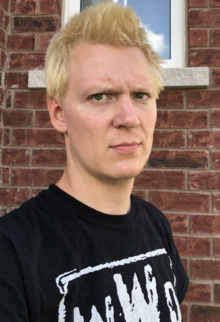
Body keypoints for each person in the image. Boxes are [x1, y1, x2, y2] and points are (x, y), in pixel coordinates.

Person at [0, 2, 188, 322]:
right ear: (59, 113)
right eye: (100, 96)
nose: (129, 118)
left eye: (141, 95)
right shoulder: (12, 253)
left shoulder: (156, 226)